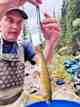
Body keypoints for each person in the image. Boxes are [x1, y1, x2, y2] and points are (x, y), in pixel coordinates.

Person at [0, 7, 60, 106]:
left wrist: (50, 42)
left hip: (20, 98)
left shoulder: (24, 45)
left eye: (19, 22)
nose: (15, 26)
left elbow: (43, 63)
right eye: (10, 20)